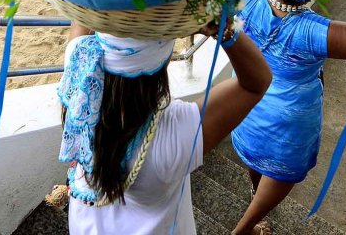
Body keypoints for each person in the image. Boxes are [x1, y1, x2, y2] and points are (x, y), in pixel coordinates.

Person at [60, 21, 272, 234]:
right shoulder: (172, 133)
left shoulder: (80, 74)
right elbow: (256, 83)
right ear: (162, 66)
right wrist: (222, 27)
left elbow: (80, 17)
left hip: (86, 224)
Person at [229, 0, 346, 235]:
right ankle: (244, 229)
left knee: (257, 159)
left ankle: (255, 195)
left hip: (246, 104)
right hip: (288, 123)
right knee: (281, 173)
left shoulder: (248, 3)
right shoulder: (312, 31)